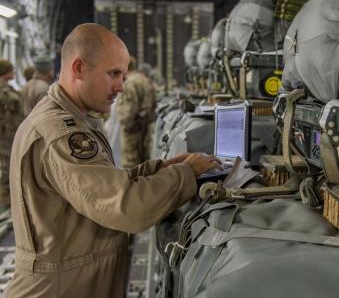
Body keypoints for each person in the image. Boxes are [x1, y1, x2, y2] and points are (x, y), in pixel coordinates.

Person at [5, 23, 220, 298]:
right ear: (79, 68)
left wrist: (160, 169)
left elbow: (102, 182)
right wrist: (185, 175)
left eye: (123, 75)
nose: (120, 86)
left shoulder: (78, 118)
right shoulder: (60, 134)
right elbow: (126, 208)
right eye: (113, 74)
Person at [117, 59, 156, 168]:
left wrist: (125, 124)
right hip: (146, 127)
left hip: (132, 129)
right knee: (145, 164)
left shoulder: (130, 83)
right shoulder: (144, 80)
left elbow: (129, 109)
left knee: (130, 164)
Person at [0, 59, 22, 210]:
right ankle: (5, 202)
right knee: (7, 168)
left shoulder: (8, 89)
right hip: (6, 135)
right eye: (11, 70)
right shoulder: (5, 91)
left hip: (9, 133)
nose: (14, 72)